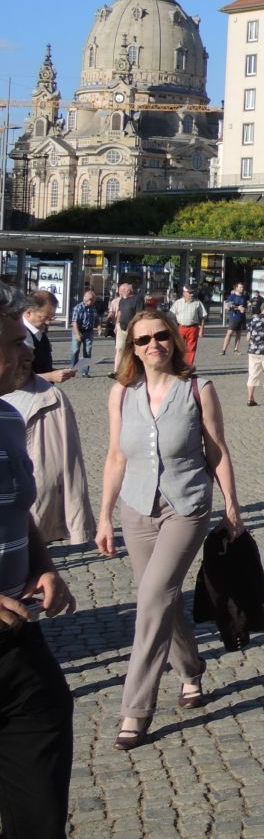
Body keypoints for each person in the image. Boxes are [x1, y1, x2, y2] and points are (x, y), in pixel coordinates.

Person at [93, 308, 242, 748]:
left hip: (187, 506)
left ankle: (135, 711)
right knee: (161, 597)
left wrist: (232, 506)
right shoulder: (121, 394)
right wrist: (103, 516)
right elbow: (115, 457)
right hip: (137, 507)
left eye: (161, 336)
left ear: (175, 340)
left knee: (152, 598)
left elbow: (217, 451)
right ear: (131, 348)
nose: (153, 344)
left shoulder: (198, 388)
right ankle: (192, 670)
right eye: (142, 340)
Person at [0, 281, 78, 838]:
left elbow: (18, 509)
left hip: (16, 640)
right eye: (12, 342)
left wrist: (44, 562)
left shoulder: (7, 417)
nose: (27, 350)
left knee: (40, 810)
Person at [10, 336, 95, 549]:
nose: (22, 362)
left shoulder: (52, 399)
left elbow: (72, 464)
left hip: (37, 512)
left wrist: (79, 526)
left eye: (27, 357)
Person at [21, 292, 74, 385]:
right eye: (45, 317)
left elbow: (39, 367)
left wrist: (56, 372)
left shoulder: (40, 331)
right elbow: (19, 377)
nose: (48, 322)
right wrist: (51, 376)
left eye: (52, 317)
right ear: (28, 313)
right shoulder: (20, 335)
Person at [170, 284, 207, 368]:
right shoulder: (178, 303)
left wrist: (201, 329)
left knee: (191, 348)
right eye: (189, 292)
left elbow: (203, 316)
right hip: (180, 327)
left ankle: (188, 366)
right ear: (184, 293)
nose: (192, 294)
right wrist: (174, 327)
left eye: (192, 292)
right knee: (179, 347)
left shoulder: (197, 303)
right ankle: (178, 365)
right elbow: (171, 315)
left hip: (193, 328)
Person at [110, 281, 142, 368]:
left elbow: (139, 314)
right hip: (121, 328)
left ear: (129, 290)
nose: (120, 292)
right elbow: (119, 313)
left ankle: (133, 369)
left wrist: (133, 325)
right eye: (120, 291)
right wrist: (117, 324)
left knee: (131, 350)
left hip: (132, 328)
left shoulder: (137, 299)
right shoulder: (122, 300)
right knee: (119, 349)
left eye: (123, 290)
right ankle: (116, 370)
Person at [70, 288, 101, 377]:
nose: (92, 302)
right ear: (85, 298)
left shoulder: (93, 308)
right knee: (75, 350)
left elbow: (96, 319)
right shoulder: (78, 308)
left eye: (93, 300)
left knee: (87, 352)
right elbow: (74, 322)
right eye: (91, 300)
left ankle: (85, 372)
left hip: (89, 332)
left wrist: (99, 327)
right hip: (78, 330)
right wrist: (77, 334)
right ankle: (73, 369)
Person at [219, 282, 246, 357]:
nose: (242, 288)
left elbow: (246, 306)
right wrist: (237, 308)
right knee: (229, 333)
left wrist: (244, 309)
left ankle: (236, 349)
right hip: (234, 317)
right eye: (240, 287)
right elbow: (227, 306)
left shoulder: (244, 297)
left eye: (242, 287)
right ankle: (223, 350)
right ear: (236, 288)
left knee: (238, 333)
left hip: (242, 317)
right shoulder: (232, 297)